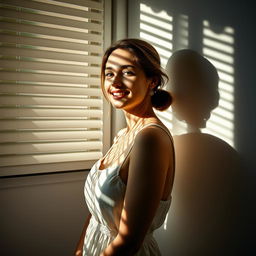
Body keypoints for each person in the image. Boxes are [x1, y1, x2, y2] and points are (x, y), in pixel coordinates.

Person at [75, 38, 175, 256]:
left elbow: (129, 241)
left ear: (152, 81)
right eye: (109, 74)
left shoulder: (150, 138)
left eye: (128, 72)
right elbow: (95, 212)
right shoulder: (124, 135)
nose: (115, 82)